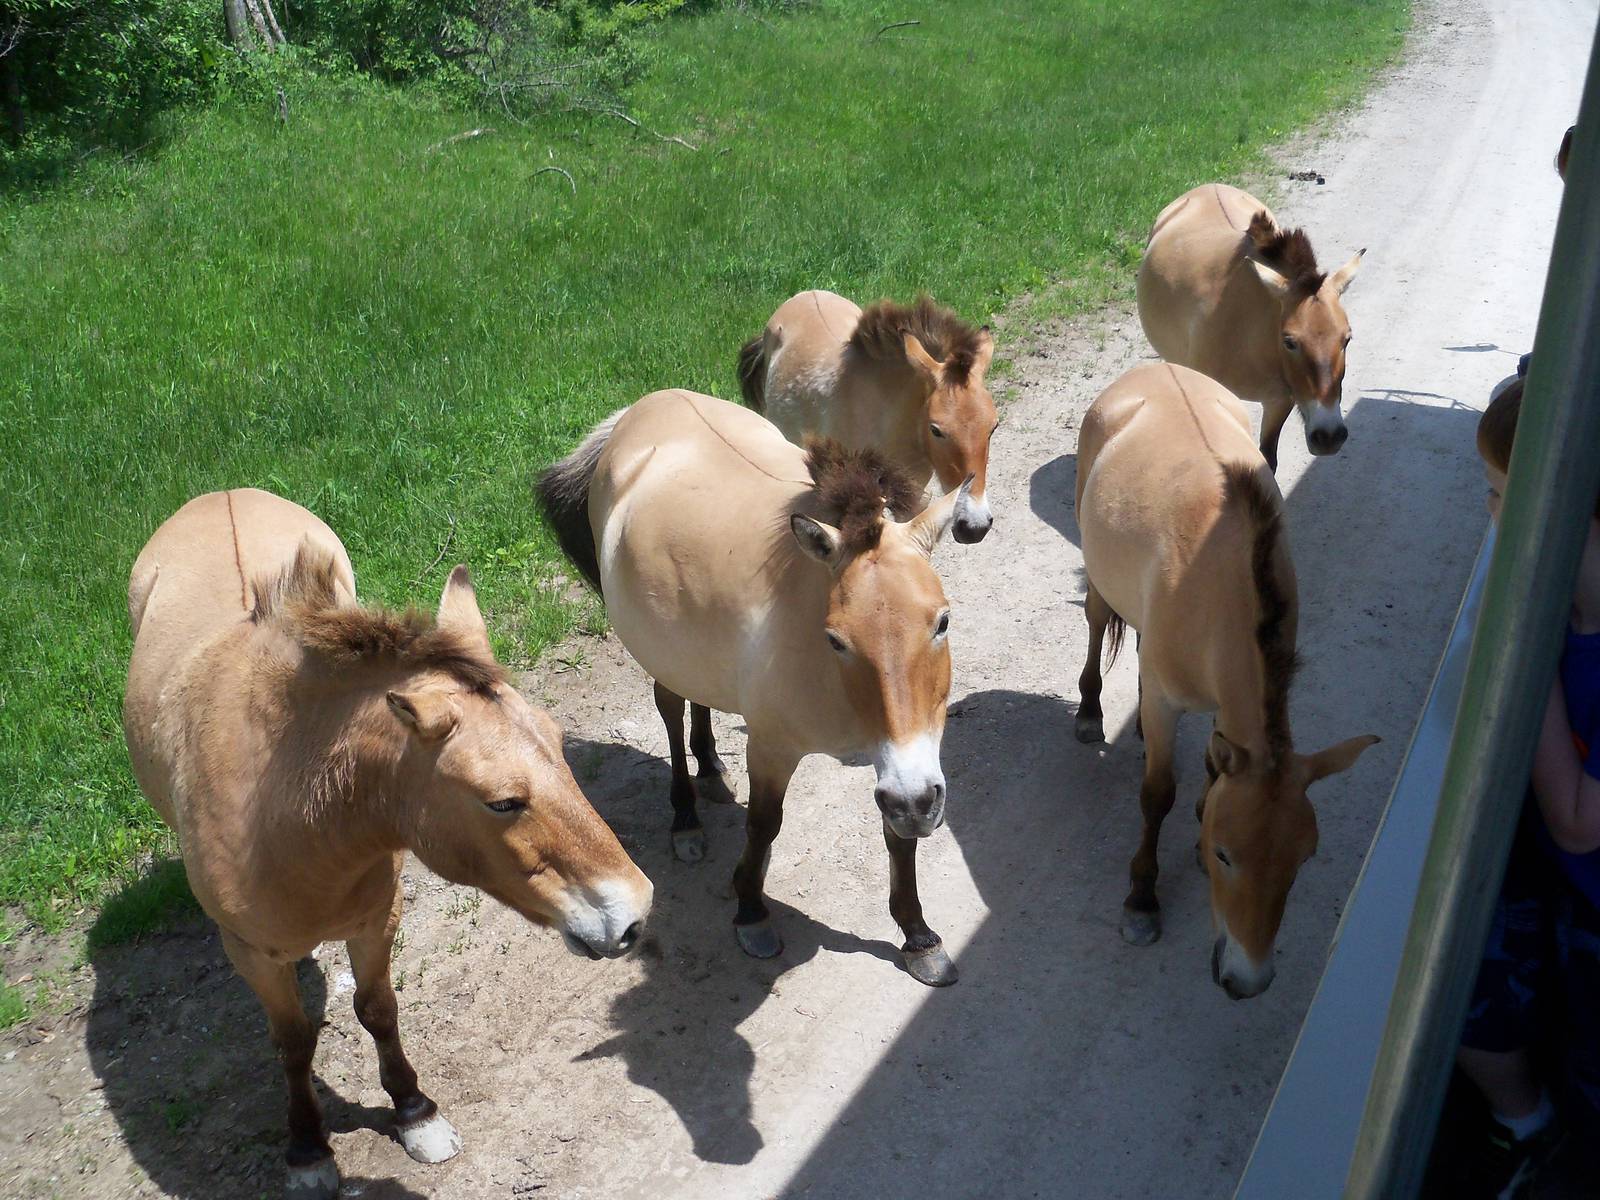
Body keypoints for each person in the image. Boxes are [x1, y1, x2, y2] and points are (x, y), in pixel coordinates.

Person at [1448, 375, 1600, 1199]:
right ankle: (1530, 1124)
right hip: (1561, 876)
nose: (1489, 513)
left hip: (1589, 891)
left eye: (1504, 496)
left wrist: (1522, 649)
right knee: (1465, 972)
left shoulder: (1554, 626)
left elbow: (1578, 819)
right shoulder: (1571, 608)